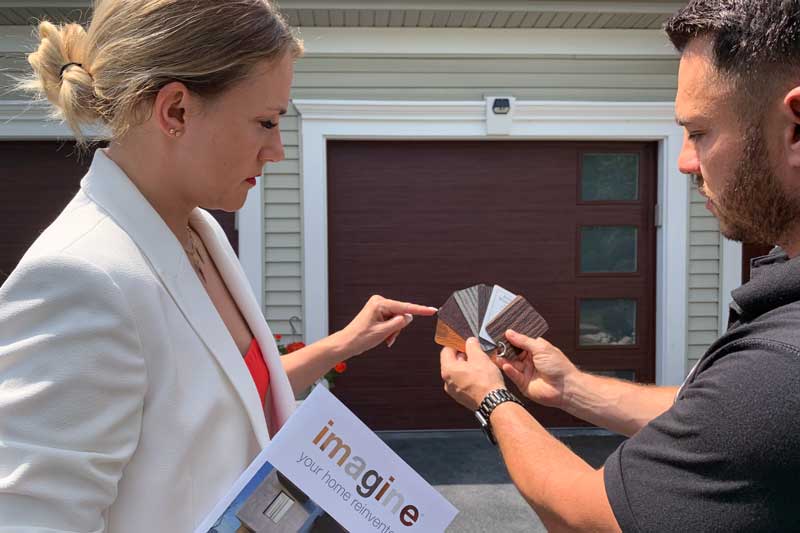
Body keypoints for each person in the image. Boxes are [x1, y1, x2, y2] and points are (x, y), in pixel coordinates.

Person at [0, 1, 436, 531]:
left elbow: (223, 398)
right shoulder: (80, 278)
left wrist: (342, 343)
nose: (276, 150)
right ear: (176, 111)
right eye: (265, 122)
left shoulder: (199, 233)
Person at [440, 1, 800, 531]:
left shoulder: (781, 365)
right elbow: (717, 424)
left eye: (699, 131)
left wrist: (490, 400)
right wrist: (569, 389)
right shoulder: (776, 337)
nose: (684, 161)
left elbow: (588, 517)